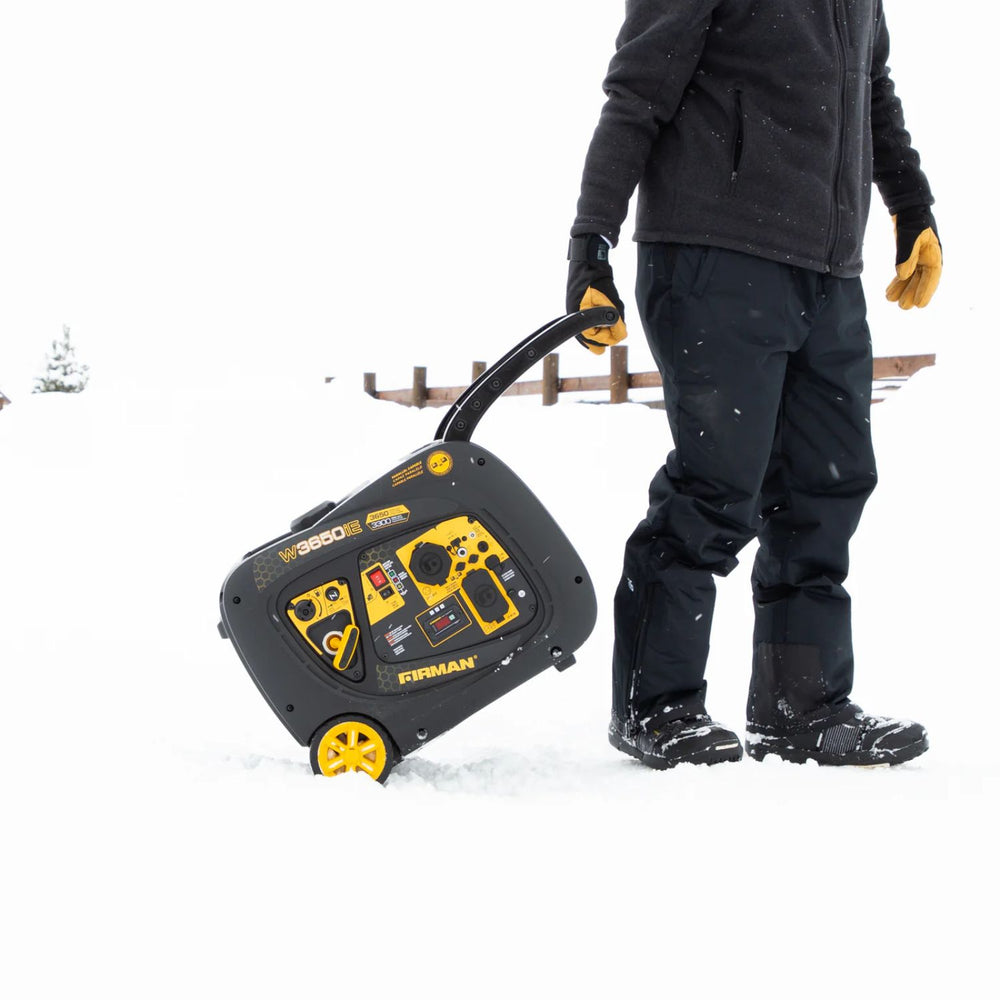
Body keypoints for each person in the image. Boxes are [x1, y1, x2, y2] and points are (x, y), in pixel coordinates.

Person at [566, 1, 941, 769]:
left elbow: (873, 90)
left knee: (825, 487)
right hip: (713, 252)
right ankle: (655, 704)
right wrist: (589, 245)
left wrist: (913, 208)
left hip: (828, 270)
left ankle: (800, 705)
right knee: (716, 484)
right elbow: (636, 92)